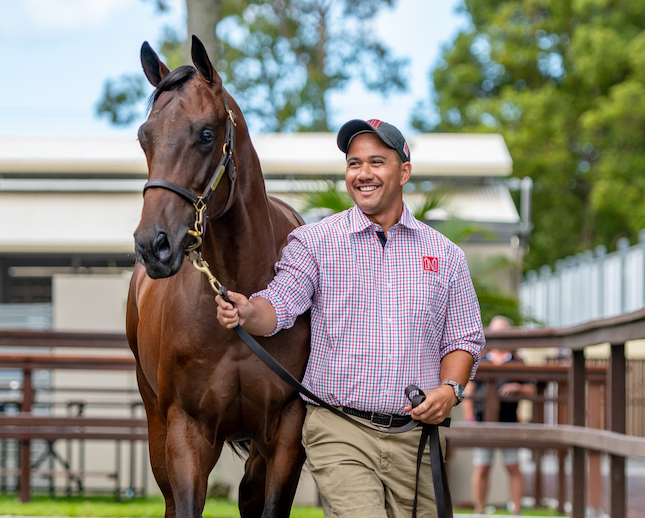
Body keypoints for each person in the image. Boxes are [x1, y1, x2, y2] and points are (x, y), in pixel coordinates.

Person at [215, 119, 485, 517]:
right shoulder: (316, 241)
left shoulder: (445, 256)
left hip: (416, 438)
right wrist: (249, 311)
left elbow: (463, 339)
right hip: (340, 429)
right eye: (354, 163)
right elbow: (280, 305)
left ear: (404, 171)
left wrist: (449, 391)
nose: (363, 173)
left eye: (377, 162)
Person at [462, 315, 535, 514]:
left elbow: (532, 389)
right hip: (482, 421)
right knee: (482, 467)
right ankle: (480, 509)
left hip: (509, 421)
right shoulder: (480, 358)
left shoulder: (518, 361)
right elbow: (468, 391)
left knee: (513, 466)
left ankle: (517, 510)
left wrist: (517, 388)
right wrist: (470, 420)